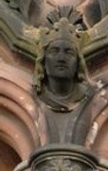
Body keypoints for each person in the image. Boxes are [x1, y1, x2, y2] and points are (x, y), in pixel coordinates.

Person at [34, 17, 100, 146]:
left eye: (69, 52)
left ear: (78, 62)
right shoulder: (38, 96)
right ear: (43, 61)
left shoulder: (89, 95)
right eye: (54, 51)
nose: (61, 58)